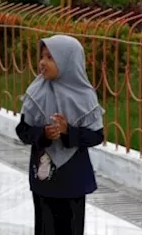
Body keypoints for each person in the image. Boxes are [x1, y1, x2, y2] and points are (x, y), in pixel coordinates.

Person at [17, 35, 105, 235]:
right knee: (45, 226)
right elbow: (23, 131)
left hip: (73, 179)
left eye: (50, 57)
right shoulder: (36, 91)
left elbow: (96, 136)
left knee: (72, 227)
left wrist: (68, 132)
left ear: (68, 61)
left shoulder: (85, 96)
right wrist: (44, 133)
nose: (42, 62)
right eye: (42, 56)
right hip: (45, 178)